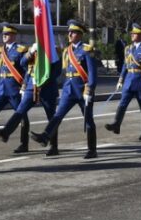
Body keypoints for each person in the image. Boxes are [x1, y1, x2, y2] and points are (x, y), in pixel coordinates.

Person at [31, 20, 98, 159]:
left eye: (72, 32)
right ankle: (45, 136)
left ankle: (92, 150)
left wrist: (90, 89)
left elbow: (92, 73)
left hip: (82, 89)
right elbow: (60, 66)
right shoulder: (67, 50)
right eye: (69, 32)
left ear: (79, 34)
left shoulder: (87, 50)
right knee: (58, 115)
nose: (70, 34)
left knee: (88, 120)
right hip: (69, 88)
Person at [0, 45, 61, 156]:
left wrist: (42, 81)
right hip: (30, 87)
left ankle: (53, 146)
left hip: (47, 88)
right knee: (20, 110)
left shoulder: (52, 50)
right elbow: (23, 64)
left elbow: (57, 71)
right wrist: (31, 52)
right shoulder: (33, 49)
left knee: (51, 117)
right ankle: (6, 132)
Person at [107, 23, 141, 140]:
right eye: (132, 34)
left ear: (140, 35)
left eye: (135, 34)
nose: (132, 35)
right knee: (122, 104)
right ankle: (116, 125)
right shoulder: (128, 48)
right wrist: (121, 79)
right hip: (128, 81)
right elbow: (125, 65)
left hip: (140, 82)